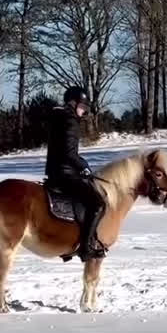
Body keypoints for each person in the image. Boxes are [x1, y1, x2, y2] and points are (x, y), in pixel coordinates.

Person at [45, 86, 108, 260]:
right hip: (65, 173)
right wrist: (84, 167)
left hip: (55, 171)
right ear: (73, 103)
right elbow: (69, 153)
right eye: (82, 106)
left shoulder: (58, 118)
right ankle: (86, 247)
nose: (84, 110)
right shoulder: (70, 120)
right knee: (98, 204)